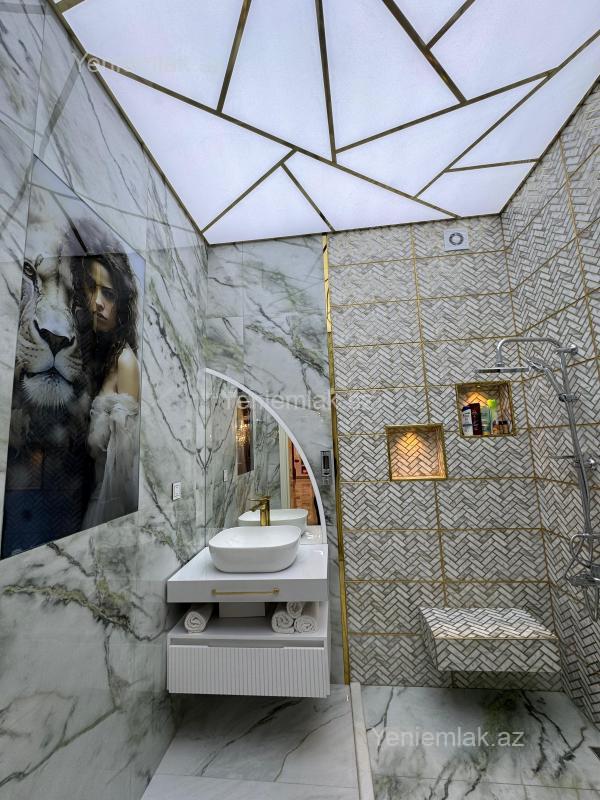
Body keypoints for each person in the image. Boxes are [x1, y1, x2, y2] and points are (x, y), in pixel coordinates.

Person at [72, 231, 141, 529]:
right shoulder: (100, 356)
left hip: (107, 512)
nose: (97, 303)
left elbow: (124, 473)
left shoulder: (125, 363)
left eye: (109, 294)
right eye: (92, 288)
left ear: (121, 304)